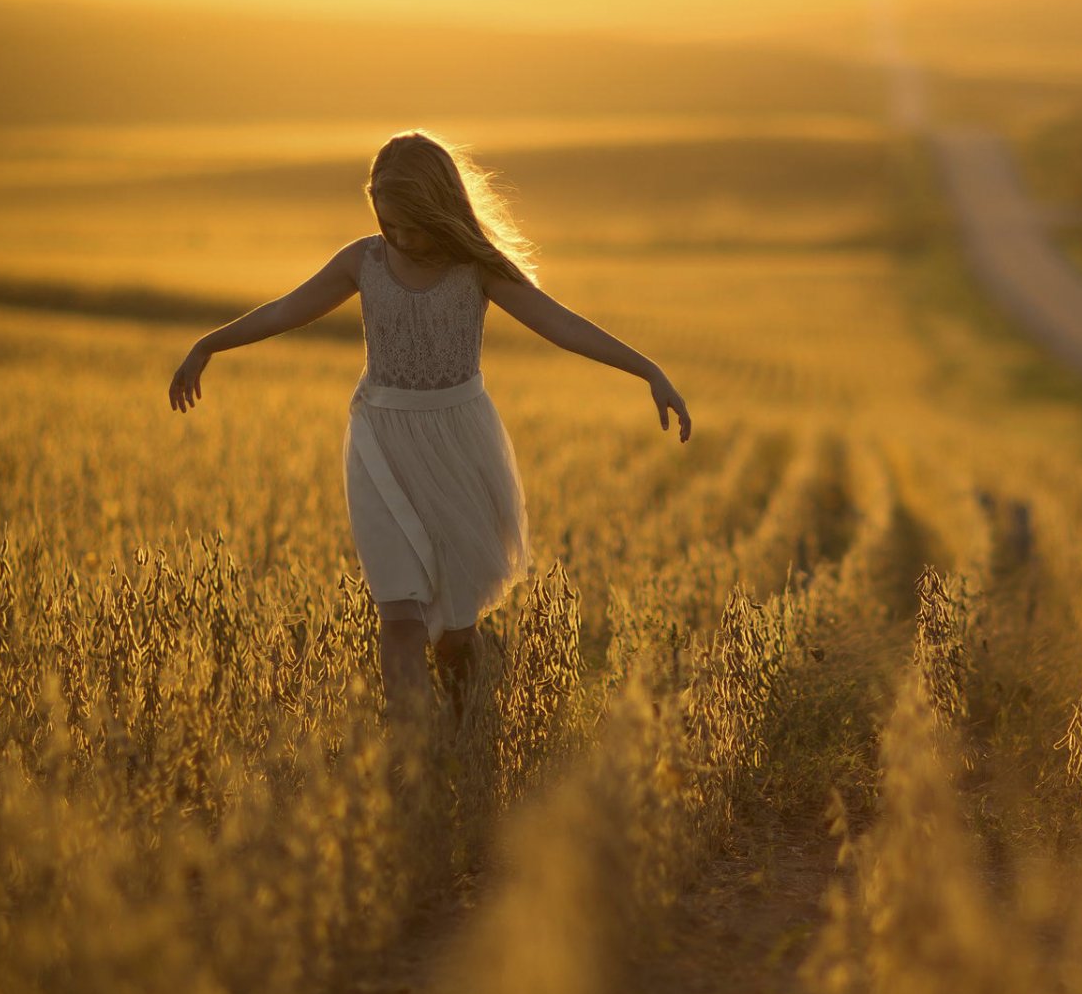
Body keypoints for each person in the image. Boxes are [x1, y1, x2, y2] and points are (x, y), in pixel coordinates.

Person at [168, 128, 691, 735]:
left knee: (457, 630)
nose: (399, 238)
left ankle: (468, 738)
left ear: (438, 209)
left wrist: (648, 370)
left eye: (410, 225)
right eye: (388, 224)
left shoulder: (477, 268)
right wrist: (210, 343)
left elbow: (560, 323)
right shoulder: (362, 262)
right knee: (400, 615)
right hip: (378, 442)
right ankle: (409, 751)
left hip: (459, 444)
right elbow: (285, 309)